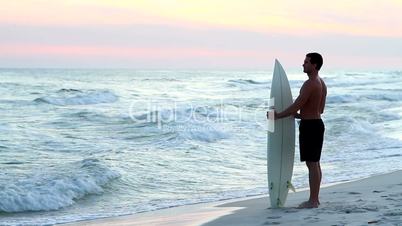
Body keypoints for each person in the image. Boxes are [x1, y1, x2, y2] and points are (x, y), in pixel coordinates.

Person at [267, 52, 327, 208]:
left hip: (310, 127)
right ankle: (315, 198)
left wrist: (278, 116)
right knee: (315, 163)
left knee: (312, 164)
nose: (303, 64)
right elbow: (320, 109)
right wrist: (301, 116)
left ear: (314, 65)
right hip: (317, 124)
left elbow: (298, 104)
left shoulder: (310, 84)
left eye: (306, 62)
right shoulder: (321, 83)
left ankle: (313, 200)